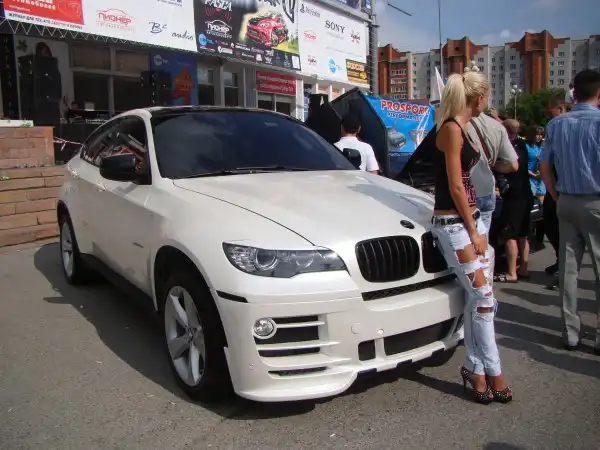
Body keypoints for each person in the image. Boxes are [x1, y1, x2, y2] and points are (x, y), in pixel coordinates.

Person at [431, 71, 512, 404]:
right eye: (487, 97)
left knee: (477, 300)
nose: (487, 102)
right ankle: (493, 371)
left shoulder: (463, 128)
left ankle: (476, 370)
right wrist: (473, 230)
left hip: (469, 220)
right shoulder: (452, 128)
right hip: (455, 224)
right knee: (484, 298)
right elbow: (454, 185)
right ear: (479, 98)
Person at [539, 69, 600, 355]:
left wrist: (555, 194)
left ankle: (570, 333)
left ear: (574, 93)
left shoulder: (556, 124)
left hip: (565, 200)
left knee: (568, 270)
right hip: (595, 201)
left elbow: (544, 166)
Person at [494, 119, 533, 283]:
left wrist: (493, 165)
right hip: (526, 194)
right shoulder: (522, 145)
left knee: (510, 235)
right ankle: (523, 268)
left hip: (514, 197)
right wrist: (499, 120)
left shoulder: (508, 148)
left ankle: (511, 273)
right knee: (523, 234)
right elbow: (512, 127)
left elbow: (511, 166)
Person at [542, 94, 566, 286]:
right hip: (557, 187)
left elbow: (544, 165)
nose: (550, 118)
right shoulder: (554, 126)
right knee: (551, 225)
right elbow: (546, 164)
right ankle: (561, 261)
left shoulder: (557, 125)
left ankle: (564, 267)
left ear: (561, 108)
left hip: (566, 188)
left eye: (551, 113)